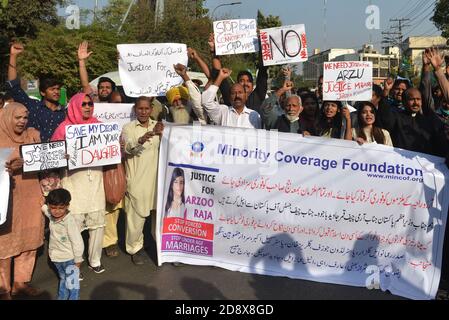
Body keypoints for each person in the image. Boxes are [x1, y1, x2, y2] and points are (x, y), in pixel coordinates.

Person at [51, 93, 106, 274]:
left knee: (97, 226)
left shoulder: (99, 126)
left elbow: (110, 151)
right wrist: (62, 155)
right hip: (73, 183)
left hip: (95, 183)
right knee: (73, 227)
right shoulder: (64, 128)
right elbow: (52, 155)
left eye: (90, 104)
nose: (88, 107)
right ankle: (74, 263)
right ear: (75, 105)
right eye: (83, 104)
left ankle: (95, 259)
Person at [0, 103, 44, 300]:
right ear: (8, 116)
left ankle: (20, 282)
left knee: (29, 237)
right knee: (5, 242)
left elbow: (44, 159)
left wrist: (60, 156)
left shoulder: (32, 135)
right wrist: (10, 166)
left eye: (25, 118)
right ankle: (3, 288)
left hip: (30, 193)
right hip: (6, 201)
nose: (22, 122)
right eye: (17, 117)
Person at [122, 96, 164, 265]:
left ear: (152, 109)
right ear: (135, 109)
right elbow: (127, 148)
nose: (144, 112)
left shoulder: (159, 126)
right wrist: (140, 139)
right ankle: (134, 249)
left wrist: (163, 133)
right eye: (140, 109)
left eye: (147, 109)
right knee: (136, 219)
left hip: (157, 180)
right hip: (138, 181)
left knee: (158, 217)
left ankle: (162, 247)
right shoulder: (129, 128)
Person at [6, 43, 65, 142]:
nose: (56, 92)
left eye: (58, 89)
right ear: (42, 92)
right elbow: (14, 86)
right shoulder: (32, 107)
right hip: (34, 155)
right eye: (52, 89)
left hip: (59, 155)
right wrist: (13, 56)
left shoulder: (64, 112)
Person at [42, 188, 83, 300]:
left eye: (61, 208)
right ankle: (62, 297)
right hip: (56, 258)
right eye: (53, 207)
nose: (57, 211)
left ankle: (73, 298)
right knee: (63, 278)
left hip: (70, 258)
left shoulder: (69, 222)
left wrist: (78, 260)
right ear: (49, 205)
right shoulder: (51, 215)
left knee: (72, 283)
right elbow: (46, 210)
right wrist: (42, 204)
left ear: (67, 206)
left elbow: (77, 241)